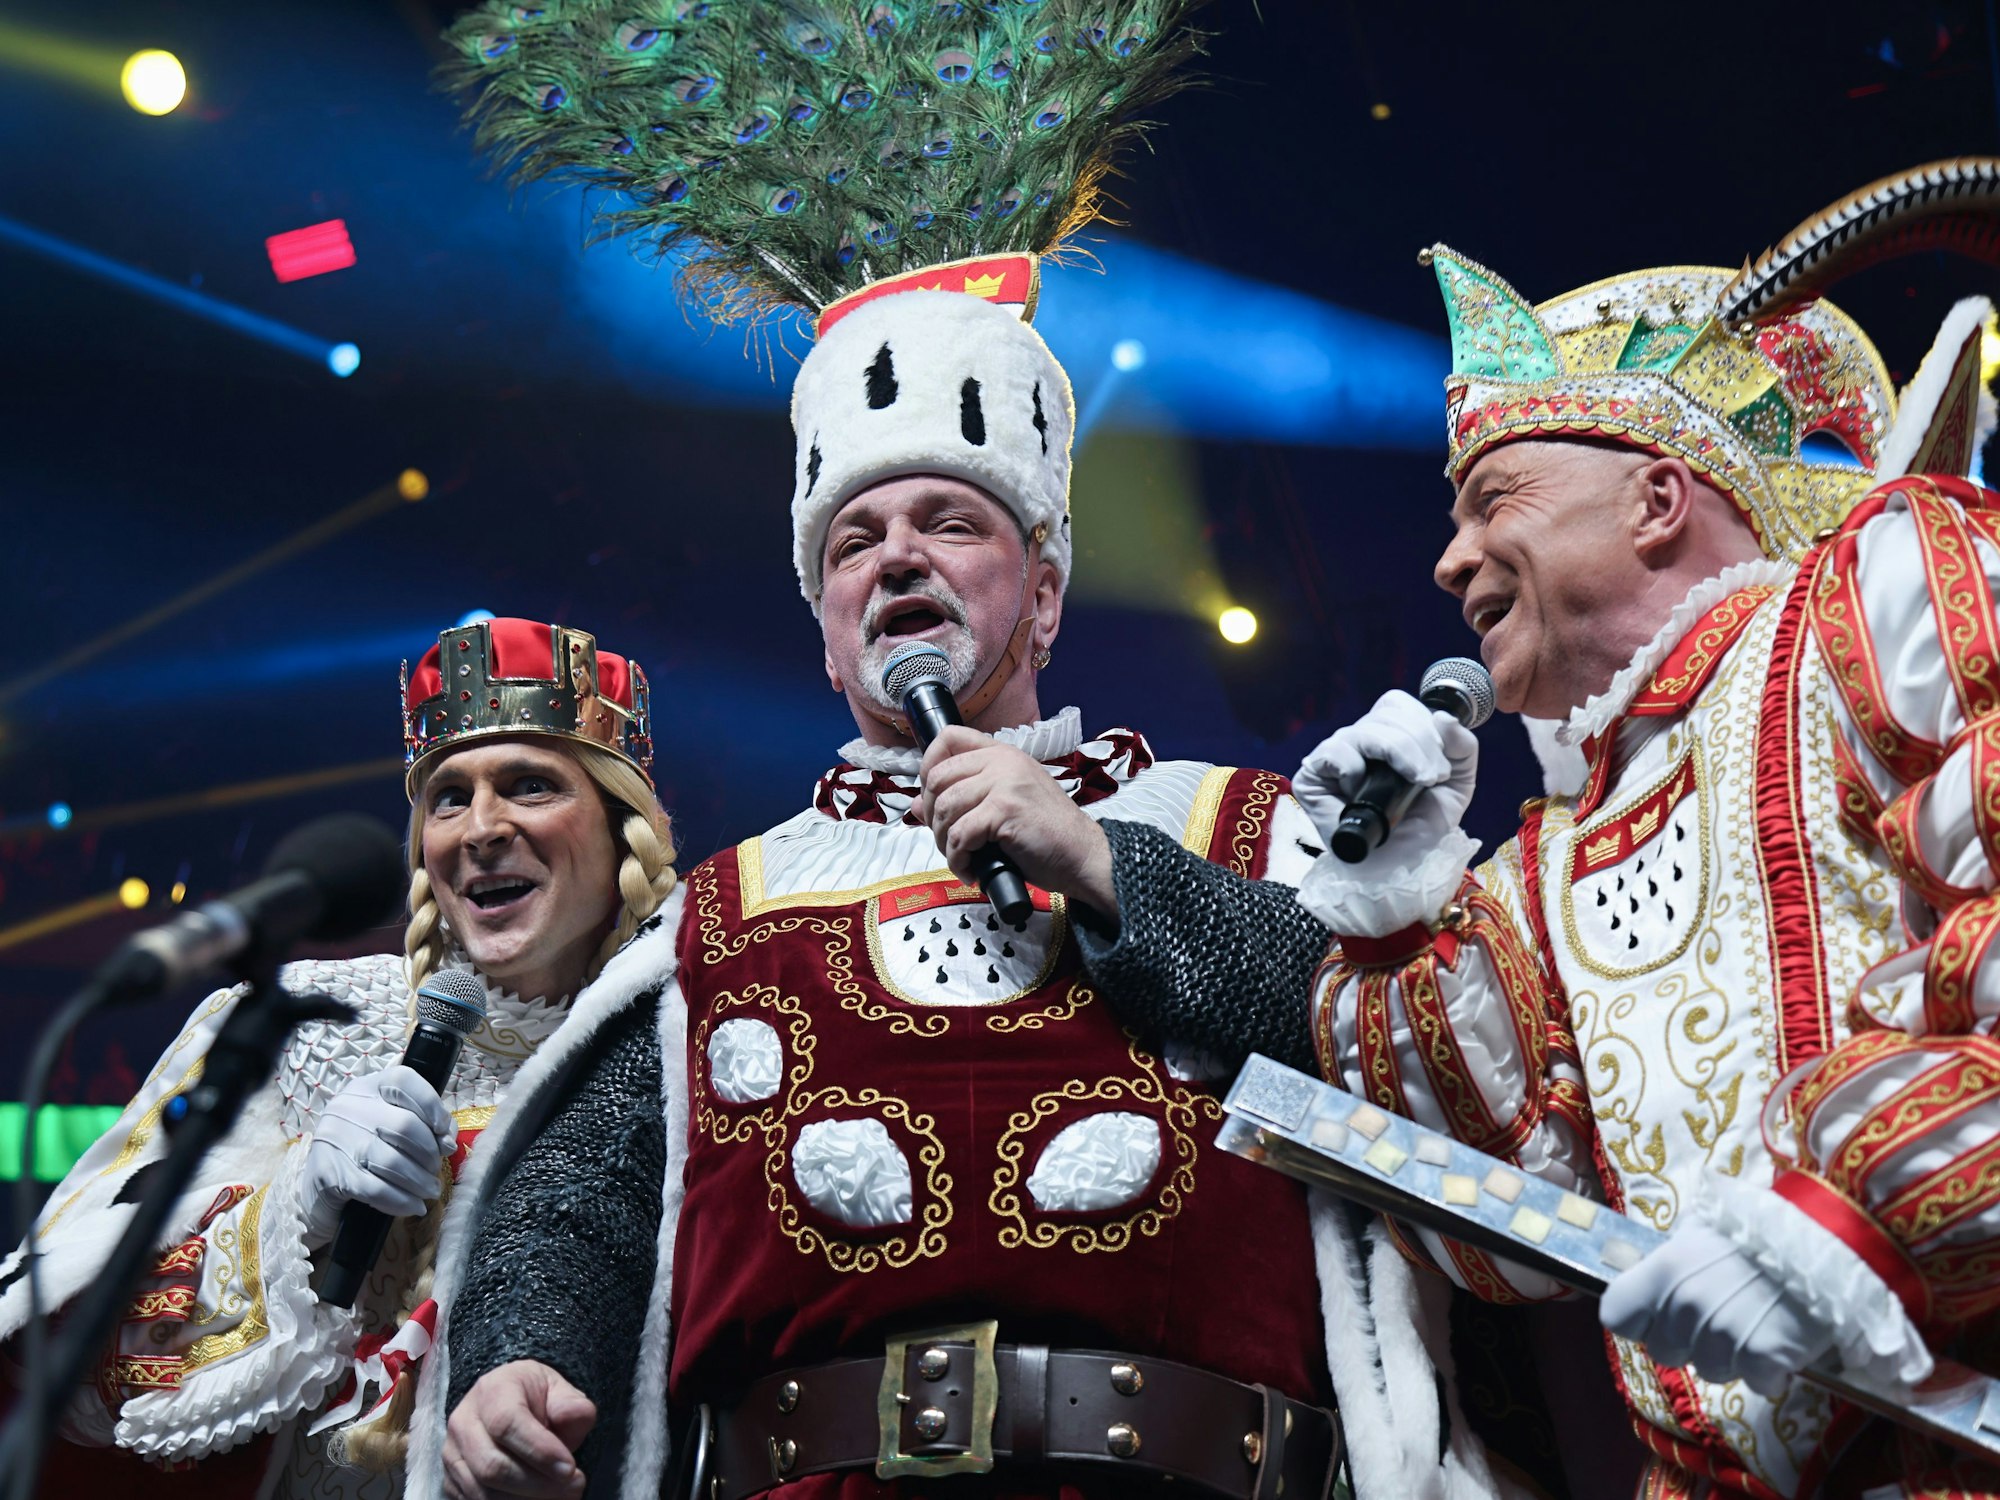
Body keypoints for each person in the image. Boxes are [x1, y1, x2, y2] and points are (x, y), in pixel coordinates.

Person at [410, 5, 1520, 1499]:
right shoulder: (719, 913)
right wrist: (517, 1358)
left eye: (949, 522)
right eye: (854, 541)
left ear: (1044, 589)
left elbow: (1414, 1065)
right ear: (825, 630)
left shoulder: (1248, 827)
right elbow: (576, 1201)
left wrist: (1103, 864)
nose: (897, 560)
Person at [1113, 161, 2000, 1498]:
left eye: (1496, 500)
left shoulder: (1874, 605)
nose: (1448, 559)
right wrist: (1400, 915)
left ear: (1656, 500)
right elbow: (1506, 1243)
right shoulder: (1537, 865)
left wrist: (1854, 1219)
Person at [0, 617, 680, 1499]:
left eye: (529, 785)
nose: (481, 829)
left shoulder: (690, 1040)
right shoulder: (305, 1024)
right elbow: (58, 1349)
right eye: (449, 798)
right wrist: (297, 1208)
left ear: (623, 827)